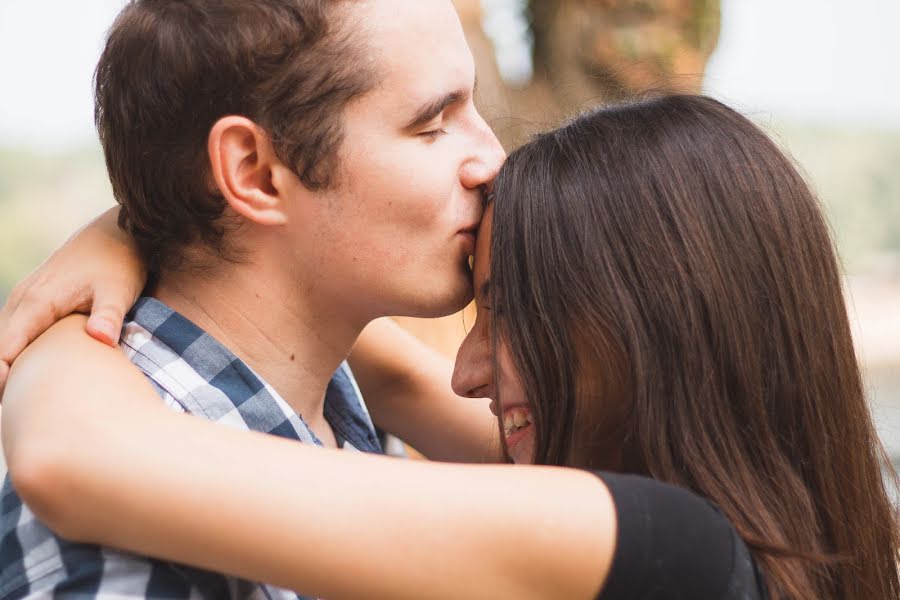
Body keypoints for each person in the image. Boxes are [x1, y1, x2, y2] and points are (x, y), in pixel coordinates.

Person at [2, 95, 898, 599]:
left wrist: (102, 270)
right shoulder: (785, 542)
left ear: (652, 330)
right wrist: (165, 225)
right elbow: (392, 375)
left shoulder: (672, 552)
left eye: (509, 313)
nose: (465, 374)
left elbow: (73, 455)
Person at [0, 0, 507, 598]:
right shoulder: (121, 551)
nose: (493, 160)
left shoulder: (333, 388)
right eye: (432, 125)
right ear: (256, 173)